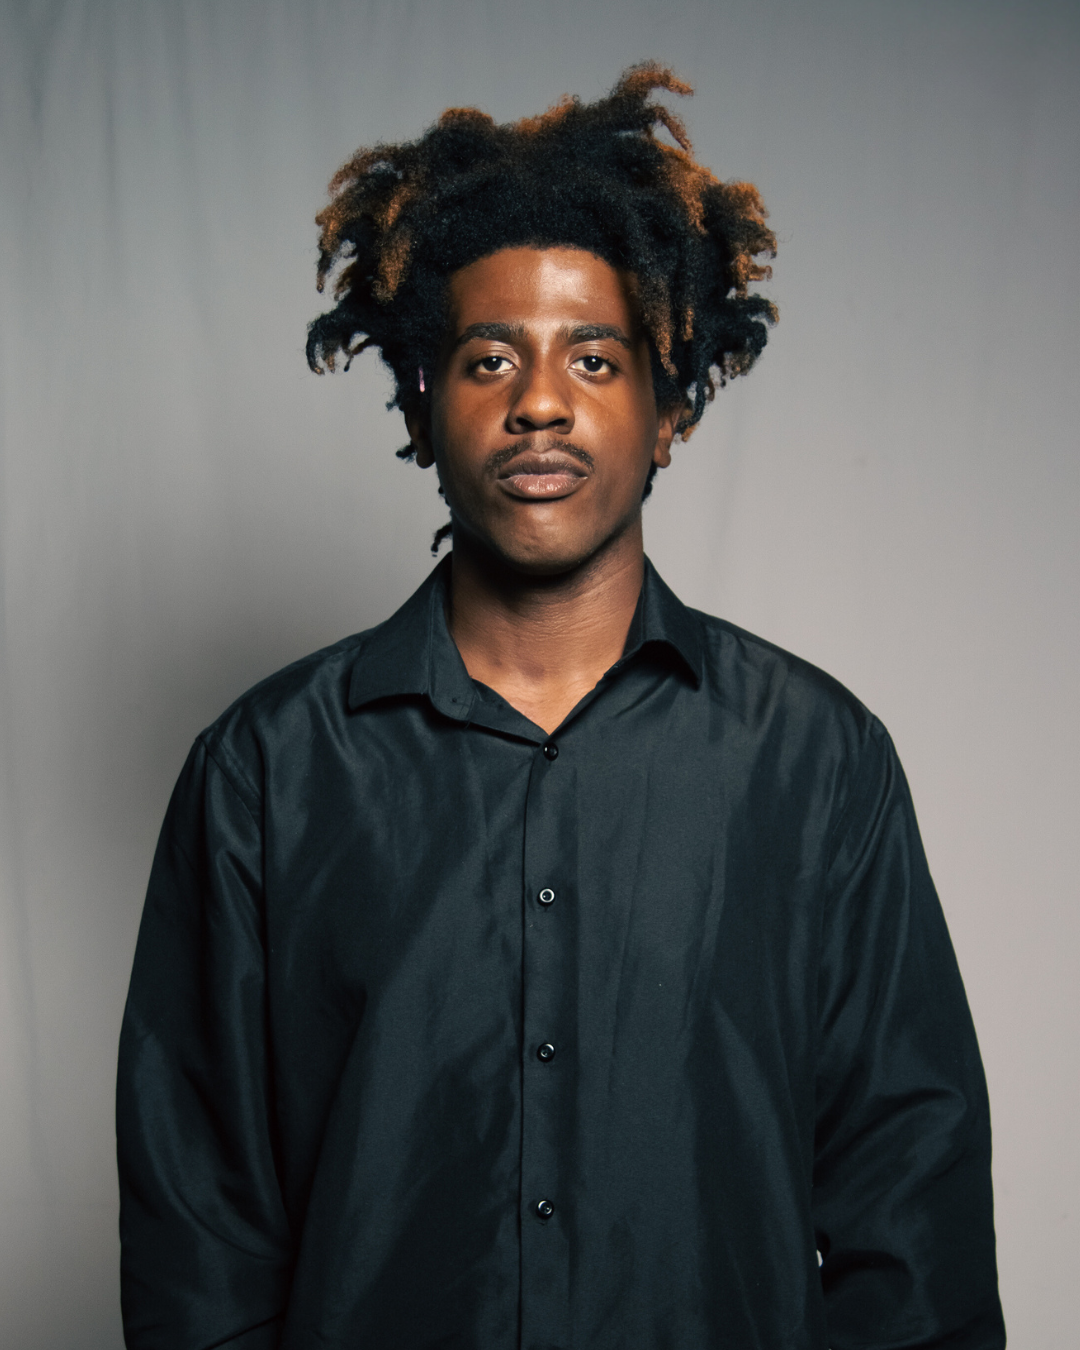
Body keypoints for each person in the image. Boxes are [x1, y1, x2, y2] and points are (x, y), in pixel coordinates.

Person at [116, 65, 1005, 1350]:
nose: (540, 401)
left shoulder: (817, 763)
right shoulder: (266, 773)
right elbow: (199, 1241)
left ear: (671, 409)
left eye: (595, 358)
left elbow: (911, 1214)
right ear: (422, 403)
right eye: (489, 359)